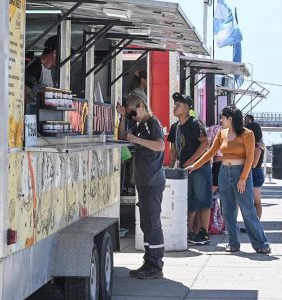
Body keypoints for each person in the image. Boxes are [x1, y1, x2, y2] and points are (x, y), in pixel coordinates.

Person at [186, 105, 271, 254]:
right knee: (228, 211)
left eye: (223, 118)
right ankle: (233, 243)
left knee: (248, 210)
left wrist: (243, 179)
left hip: (241, 173)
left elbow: (250, 158)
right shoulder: (221, 133)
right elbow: (211, 151)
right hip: (224, 173)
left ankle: (261, 243)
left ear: (230, 119)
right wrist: (196, 164)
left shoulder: (247, 134)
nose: (220, 120)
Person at [116, 93, 165, 279]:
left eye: (133, 113)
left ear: (142, 106)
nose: (133, 117)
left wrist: (136, 140)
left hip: (153, 182)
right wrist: (122, 118)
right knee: (146, 224)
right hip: (143, 181)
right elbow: (123, 137)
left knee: (152, 223)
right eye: (130, 115)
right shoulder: (140, 125)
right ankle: (149, 261)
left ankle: (156, 263)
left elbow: (160, 146)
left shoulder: (153, 123)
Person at [167, 93, 212, 245]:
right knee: (188, 202)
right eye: (175, 104)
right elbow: (173, 149)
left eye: (178, 105)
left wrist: (191, 161)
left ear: (186, 108)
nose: (175, 107)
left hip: (200, 168)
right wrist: (170, 167)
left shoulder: (195, 123)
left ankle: (204, 233)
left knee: (202, 201)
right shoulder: (174, 127)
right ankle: (189, 231)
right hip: (182, 171)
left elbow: (205, 143)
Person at [25, 35, 58, 107]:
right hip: (33, 114)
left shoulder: (50, 70)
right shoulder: (35, 67)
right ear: (54, 53)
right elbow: (24, 94)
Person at [245, 121, 265, 219]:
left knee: (256, 201)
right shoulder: (260, 144)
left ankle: (256, 222)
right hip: (256, 172)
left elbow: (253, 164)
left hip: (255, 173)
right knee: (255, 200)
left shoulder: (257, 146)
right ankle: (255, 222)